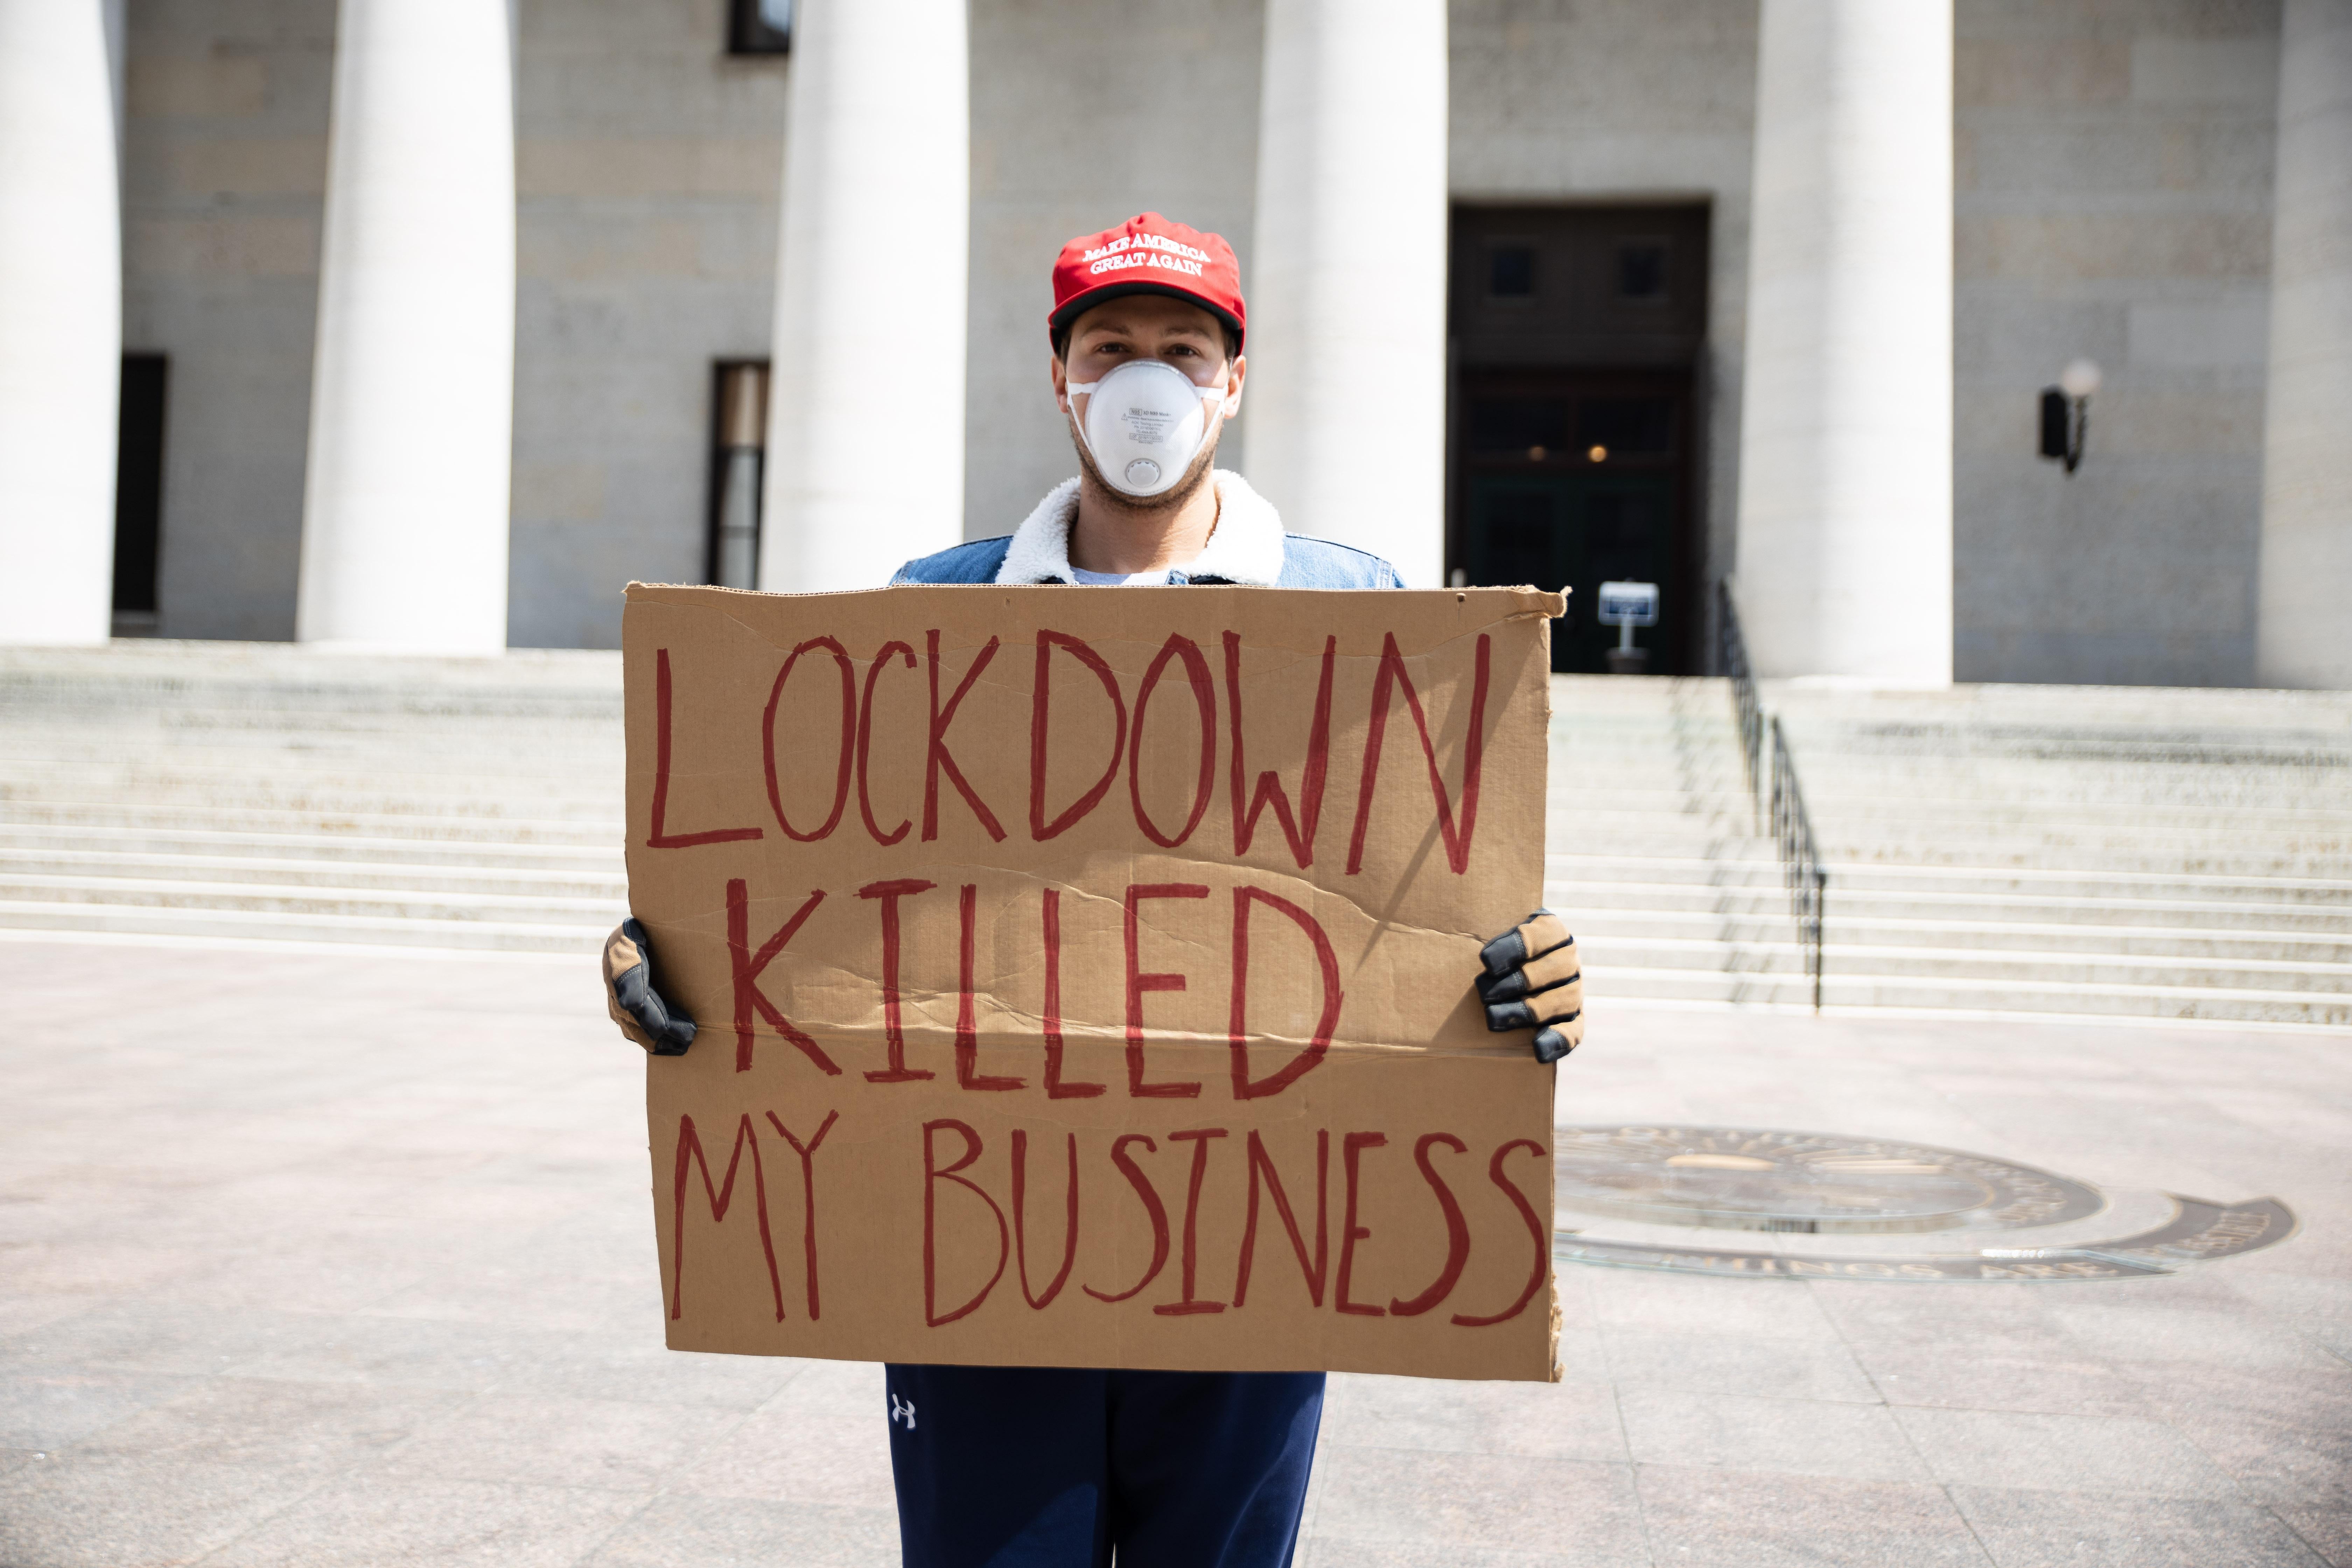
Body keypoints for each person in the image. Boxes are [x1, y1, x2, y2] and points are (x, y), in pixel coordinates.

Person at [602, 213, 1586, 1568]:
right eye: (1111, 348)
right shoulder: (930, 608)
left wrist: (1526, 965)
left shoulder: (1358, 611)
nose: (1149, 384)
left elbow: (1435, 893)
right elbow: (826, 892)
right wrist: (679, 952)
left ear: (1234, 381)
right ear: (1059, 376)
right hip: (977, 1252)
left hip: (1253, 1243)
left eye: (1183, 351)